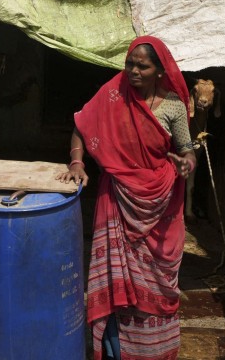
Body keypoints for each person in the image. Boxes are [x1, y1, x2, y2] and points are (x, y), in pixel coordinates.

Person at [57, 36, 196, 360]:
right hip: (118, 201)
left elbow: (187, 151)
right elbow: (81, 126)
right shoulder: (113, 93)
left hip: (161, 206)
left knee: (158, 287)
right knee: (116, 281)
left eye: (142, 66)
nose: (133, 71)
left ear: (160, 71)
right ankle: (115, 352)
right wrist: (77, 162)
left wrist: (185, 164)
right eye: (129, 64)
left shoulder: (174, 105)